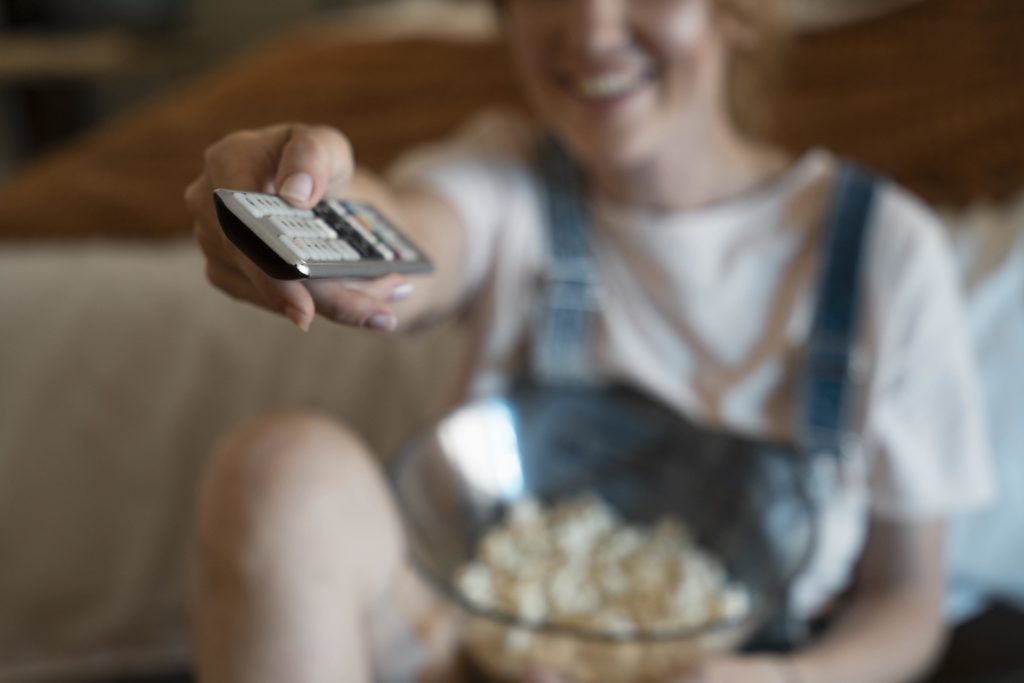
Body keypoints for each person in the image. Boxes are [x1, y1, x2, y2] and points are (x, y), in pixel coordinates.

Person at [183, 0, 993, 681]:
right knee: (279, 471)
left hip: (746, 663)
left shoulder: (880, 251)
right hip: (476, 651)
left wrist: (783, 679)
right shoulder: (509, 180)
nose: (594, 27)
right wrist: (297, 202)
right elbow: (411, 238)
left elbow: (908, 597)